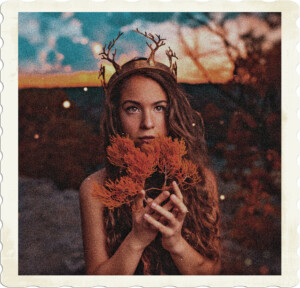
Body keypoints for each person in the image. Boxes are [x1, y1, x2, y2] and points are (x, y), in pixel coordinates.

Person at [79, 30, 220, 275]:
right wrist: (136, 240)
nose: (147, 123)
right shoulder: (95, 188)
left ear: (172, 113)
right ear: (117, 116)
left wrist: (175, 242)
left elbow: (212, 271)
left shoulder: (201, 180)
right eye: (133, 108)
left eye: (159, 108)